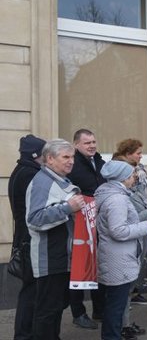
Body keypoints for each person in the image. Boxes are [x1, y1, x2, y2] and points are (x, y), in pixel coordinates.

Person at [26, 139, 85, 339]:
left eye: (72, 157)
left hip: (62, 256)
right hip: (49, 257)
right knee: (47, 311)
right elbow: (34, 219)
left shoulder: (61, 180)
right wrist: (68, 208)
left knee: (57, 307)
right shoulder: (43, 182)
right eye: (65, 157)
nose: (71, 162)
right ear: (50, 159)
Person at [95, 161, 147, 340]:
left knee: (115, 304)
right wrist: (146, 225)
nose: (134, 178)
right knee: (116, 306)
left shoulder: (110, 194)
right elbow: (118, 231)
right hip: (119, 259)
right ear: (122, 178)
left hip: (116, 256)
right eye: (131, 175)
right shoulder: (117, 199)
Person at [111, 139, 147, 337]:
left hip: (143, 225)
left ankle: (125, 323)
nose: (141, 156)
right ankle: (121, 326)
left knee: (130, 283)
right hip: (135, 229)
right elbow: (125, 221)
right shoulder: (119, 177)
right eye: (138, 152)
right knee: (123, 286)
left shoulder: (138, 168)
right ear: (128, 153)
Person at [66, 129, 106, 330]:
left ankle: (99, 310)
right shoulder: (72, 164)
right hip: (80, 224)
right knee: (80, 267)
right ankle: (78, 313)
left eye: (94, 141)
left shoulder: (99, 161)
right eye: (87, 143)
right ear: (76, 144)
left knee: (97, 266)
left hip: (99, 222)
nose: (92, 145)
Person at [8, 135, 46, 340]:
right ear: (35, 155)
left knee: (31, 290)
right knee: (31, 290)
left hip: (24, 237)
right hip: (29, 239)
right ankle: (24, 334)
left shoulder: (22, 171)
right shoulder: (30, 174)